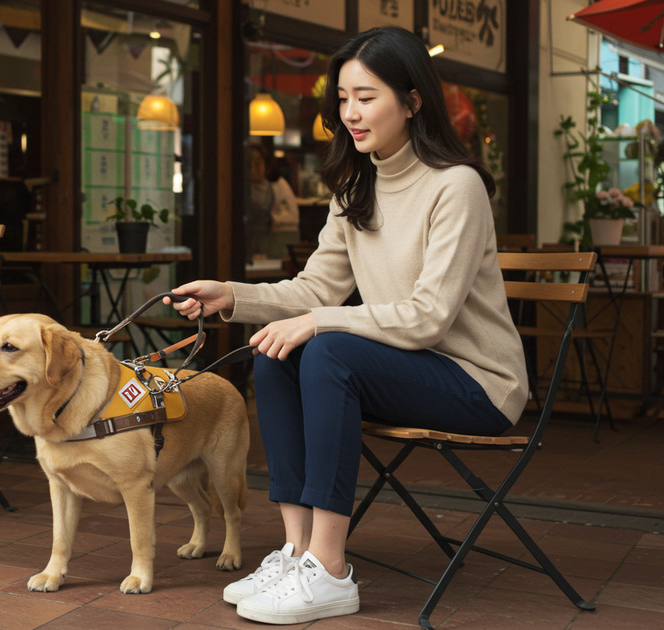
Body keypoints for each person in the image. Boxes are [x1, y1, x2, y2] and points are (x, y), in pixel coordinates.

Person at [166, 26, 527, 625]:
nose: (350, 113)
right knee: (276, 350)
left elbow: (429, 316)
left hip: (477, 382)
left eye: (366, 96)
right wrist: (231, 295)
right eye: (342, 98)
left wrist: (317, 323)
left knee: (327, 349)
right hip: (409, 368)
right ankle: (297, 551)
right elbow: (313, 290)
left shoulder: (455, 186)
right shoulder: (356, 187)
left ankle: (330, 569)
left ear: (412, 101)